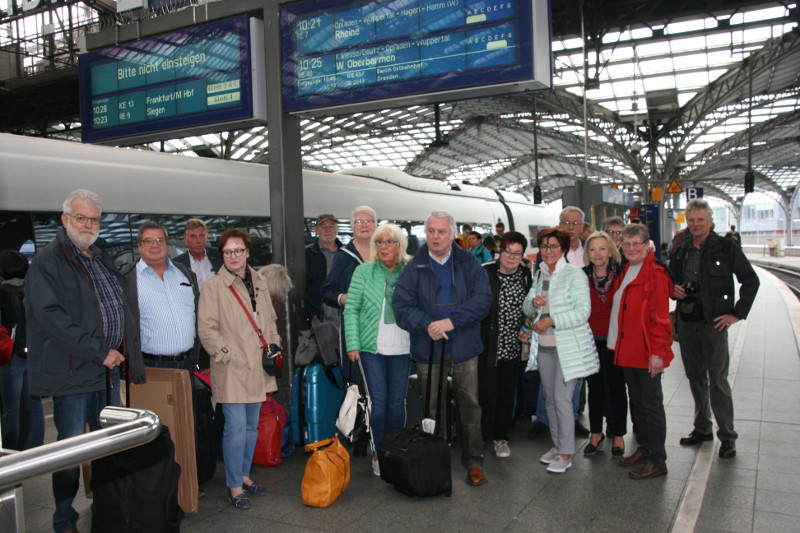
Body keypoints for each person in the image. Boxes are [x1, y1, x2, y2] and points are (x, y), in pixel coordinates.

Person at [25, 189, 145, 533]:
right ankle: (64, 518)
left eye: (94, 218)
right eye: (81, 217)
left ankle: (106, 508)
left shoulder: (97, 256)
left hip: (104, 371)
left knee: (107, 444)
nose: (88, 224)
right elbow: (51, 317)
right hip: (72, 372)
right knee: (71, 448)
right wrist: (99, 350)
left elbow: (117, 306)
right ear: (65, 219)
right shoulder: (49, 261)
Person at [393, 209, 492, 486]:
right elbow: (401, 306)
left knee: (470, 406)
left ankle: (474, 460)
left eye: (442, 232)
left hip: (463, 345)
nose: (436, 237)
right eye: (431, 232)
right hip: (429, 347)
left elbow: (482, 300)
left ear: (453, 235)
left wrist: (451, 322)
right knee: (431, 408)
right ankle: (434, 459)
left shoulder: (469, 262)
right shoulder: (415, 266)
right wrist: (428, 325)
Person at [669, 199, 759, 459]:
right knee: (695, 377)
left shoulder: (726, 248)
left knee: (718, 381)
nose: (696, 224)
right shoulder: (682, 249)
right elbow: (669, 278)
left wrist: (737, 313)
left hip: (714, 324)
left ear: (710, 221)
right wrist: (673, 287)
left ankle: (728, 437)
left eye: (700, 219)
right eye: (691, 220)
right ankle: (702, 428)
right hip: (687, 321)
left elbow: (750, 280)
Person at [197, 228, 280, 509]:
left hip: (258, 365)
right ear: (222, 255)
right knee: (234, 427)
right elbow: (206, 329)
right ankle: (234, 486)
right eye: (228, 252)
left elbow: (269, 320)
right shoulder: (213, 286)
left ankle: (244, 476)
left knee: (251, 427)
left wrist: (275, 343)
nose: (233, 256)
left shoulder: (259, 280)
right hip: (231, 368)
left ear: (247, 252)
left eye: (238, 250)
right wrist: (227, 355)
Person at [522, 227, 599, 474]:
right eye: (544, 246)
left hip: (568, 348)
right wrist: (532, 304)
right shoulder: (539, 274)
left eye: (554, 246)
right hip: (544, 346)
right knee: (550, 399)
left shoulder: (575, 275)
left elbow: (582, 312)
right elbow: (527, 308)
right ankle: (557, 445)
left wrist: (552, 319)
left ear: (563, 249)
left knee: (563, 400)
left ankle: (566, 452)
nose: (548, 251)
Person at [344, 223, 411, 476]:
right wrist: (353, 343)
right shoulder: (364, 271)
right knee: (379, 402)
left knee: (397, 402)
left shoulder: (410, 271)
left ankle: (396, 449)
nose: (384, 247)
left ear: (399, 245)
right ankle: (378, 453)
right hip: (372, 347)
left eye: (389, 242)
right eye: (380, 242)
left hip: (403, 347)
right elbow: (351, 309)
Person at [609, 224, 674, 479]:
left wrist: (657, 353)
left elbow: (660, 318)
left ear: (648, 246)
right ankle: (645, 449)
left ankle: (658, 460)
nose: (631, 248)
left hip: (646, 352)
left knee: (651, 406)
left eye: (637, 244)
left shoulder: (654, 273)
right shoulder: (628, 269)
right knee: (639, 404)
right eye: (626, 244)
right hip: (629, 351)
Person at [478, 231, 532, 458]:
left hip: (513, 345)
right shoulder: (485, 272)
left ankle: (501, 438)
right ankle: (481, 437)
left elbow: (529, 305)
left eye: (517, 253)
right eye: (507, 251)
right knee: (484, 394)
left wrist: (527, 324)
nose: (511, 257)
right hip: (487, 344)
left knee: (506, 393)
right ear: (500, 250)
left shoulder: (526, 275)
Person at [122, 221, 199, 371]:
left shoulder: (186, 274)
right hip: (151, 366)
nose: (155, 245)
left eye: (159, 240)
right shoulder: (127, 278)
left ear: (166, 244)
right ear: (139, 246)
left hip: (188, 364)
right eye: (148, 241)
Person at [582, 231, 627, 457]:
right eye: (592, 249)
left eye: (602, 248)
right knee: (595, 388)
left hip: (615, 340)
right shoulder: (581, 276)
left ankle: (618, 434)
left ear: (611, 251)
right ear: (587, 253)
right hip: (590, 341)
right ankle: (596, 433)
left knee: (617, 387)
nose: (597, 254)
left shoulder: (622, 274)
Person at [0, 249, 44, 451]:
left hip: (10, 357)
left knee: (11, 409)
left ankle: (9, 454)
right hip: (33, 354)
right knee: (35, 406)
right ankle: (36, 449)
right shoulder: (33, 290)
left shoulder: (2, 293)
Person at [305, 213, 342, 326]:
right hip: (319, 319)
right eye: (323, 226)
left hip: (344, 317)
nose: (328, 230)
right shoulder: (307, 254)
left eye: (331, 226)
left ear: (337, 229)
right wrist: (311, 315)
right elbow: (301, 287)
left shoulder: (347, 254)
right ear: (316, 230)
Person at [174, 218, 223, 288]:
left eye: (201, 236)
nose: (198, 240)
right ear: (185, 238)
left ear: (207, 237)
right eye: (193, 236)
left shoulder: (220, 255)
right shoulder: (177, 264)